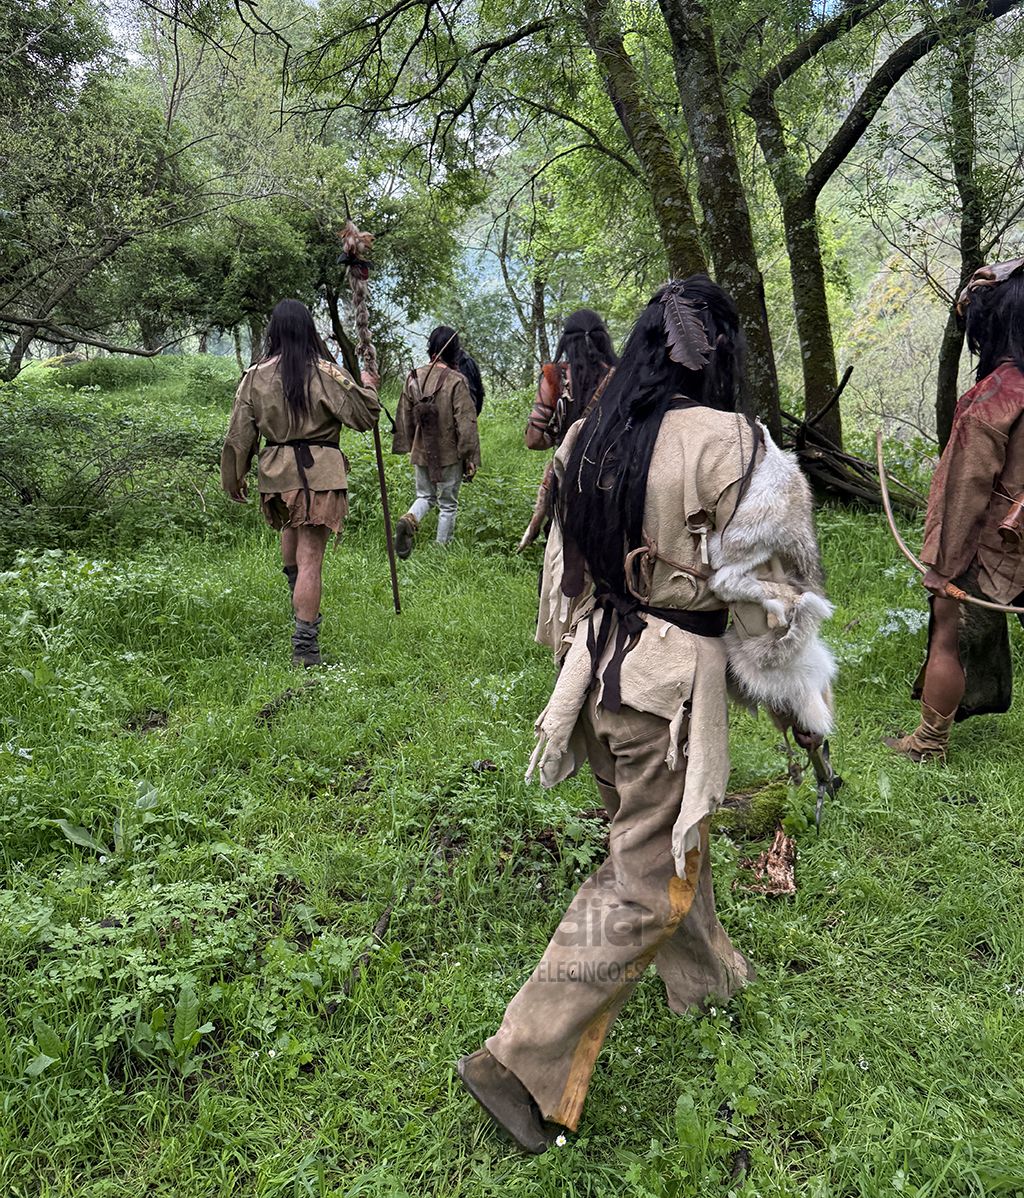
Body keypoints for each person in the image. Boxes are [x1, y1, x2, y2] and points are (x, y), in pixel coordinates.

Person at [458, 276, 835, 1153]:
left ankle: (709, 984)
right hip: (667, 691)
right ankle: (519, 1061)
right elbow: (774, 608)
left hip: (599, 679)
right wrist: (800, 701)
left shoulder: (591, 433)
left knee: (661, 839)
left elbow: (564, 576)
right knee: (642, 879)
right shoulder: (735, 446)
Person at [886, 257, 1024, 761]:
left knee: (947, 626)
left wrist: (942, 567)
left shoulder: (997, 394)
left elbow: (965, 489)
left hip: (995, 542)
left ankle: (928, 744)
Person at [220, 298, 381, 667]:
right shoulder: (327, 373)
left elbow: (239, 435)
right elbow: (365, 416)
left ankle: (299, 601)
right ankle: (305, 646)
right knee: (311, 559)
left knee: (291, 530)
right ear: (309, 329)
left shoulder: (254, 376)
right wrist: (370, 386)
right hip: (320, 473)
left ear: (273, 332)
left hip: (277, 474)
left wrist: (234, 476)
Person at [519, 309, 617, 550]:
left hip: (568, 476)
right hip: (612, 477)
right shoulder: (620, 376)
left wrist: (557, 437)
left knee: (563, 548)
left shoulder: (555, 376)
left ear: (566, 340)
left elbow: (533, 438)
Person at [392, 326, 480, 558]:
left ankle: (409, 518)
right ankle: (441, 554)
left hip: (421, 451)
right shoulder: (457, 381)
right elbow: (466, 423)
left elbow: (404, 416)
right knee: (447, 504)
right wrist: (469, 457)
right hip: (450, 453)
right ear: (454, 352)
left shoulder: (413, 378)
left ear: (431, 348)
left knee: (425, 496)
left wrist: (411, 445)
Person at [457, 347, 486, 415]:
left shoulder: (469, 363)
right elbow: (480, 392)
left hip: (467, 413)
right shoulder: (470, 362)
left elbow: (479, 392)